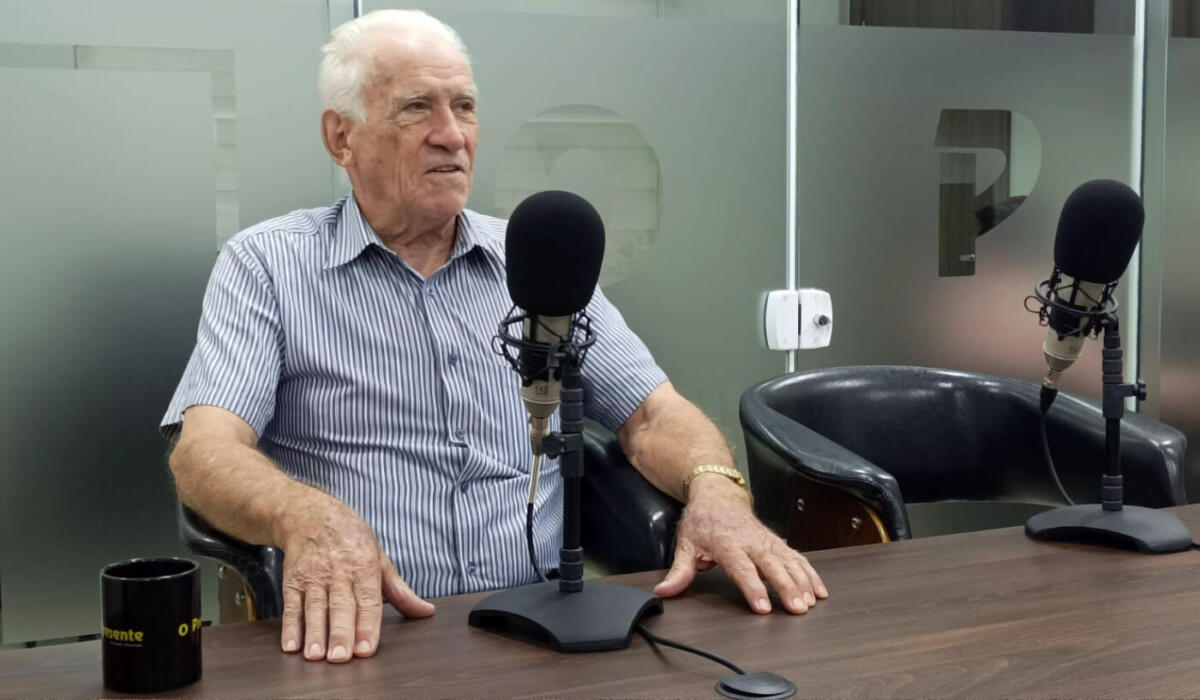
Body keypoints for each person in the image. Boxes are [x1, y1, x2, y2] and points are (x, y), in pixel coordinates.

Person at [163, 9, 827, 665]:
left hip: (540, 628)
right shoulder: (269, 264)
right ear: (342, 138)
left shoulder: (535, 259)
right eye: (416, 108)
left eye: (465, 107)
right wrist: (306, 517)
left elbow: (654, 415)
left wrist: (718, 492)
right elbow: (204, 452)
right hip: (366, 634)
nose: (452, 135)